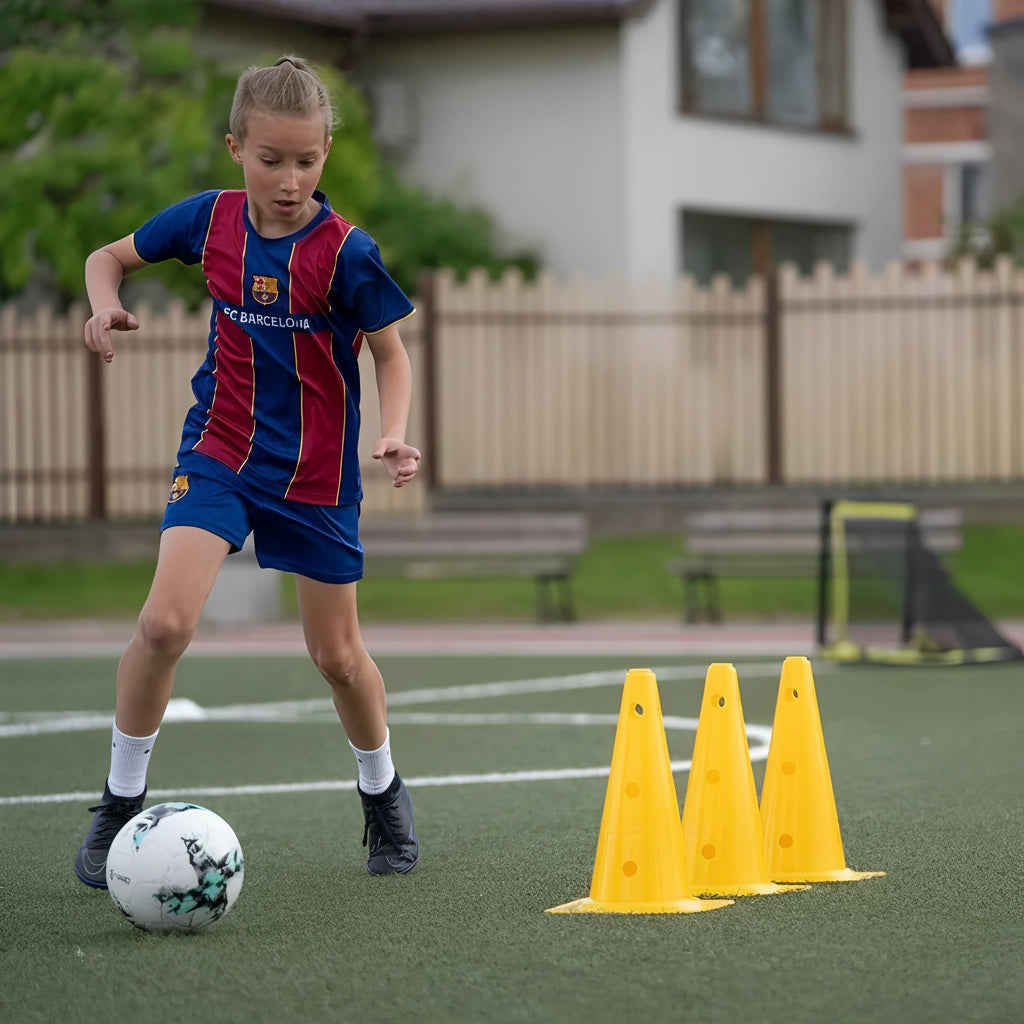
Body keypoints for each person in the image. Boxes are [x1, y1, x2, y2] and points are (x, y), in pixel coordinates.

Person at [74, 55, 420, 885]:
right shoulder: (209, 222)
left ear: (326, 153)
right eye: (271, 158)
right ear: (236, 147)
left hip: (316, 476)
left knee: (337, 657)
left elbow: (392, 355)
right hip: (220, 451)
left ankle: (382, 792)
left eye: (306, 160)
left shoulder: (347, 254)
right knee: (163, 625)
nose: (289, 178)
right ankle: (120, 805)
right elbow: (105, 257)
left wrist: (395, 433)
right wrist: (101, 304)